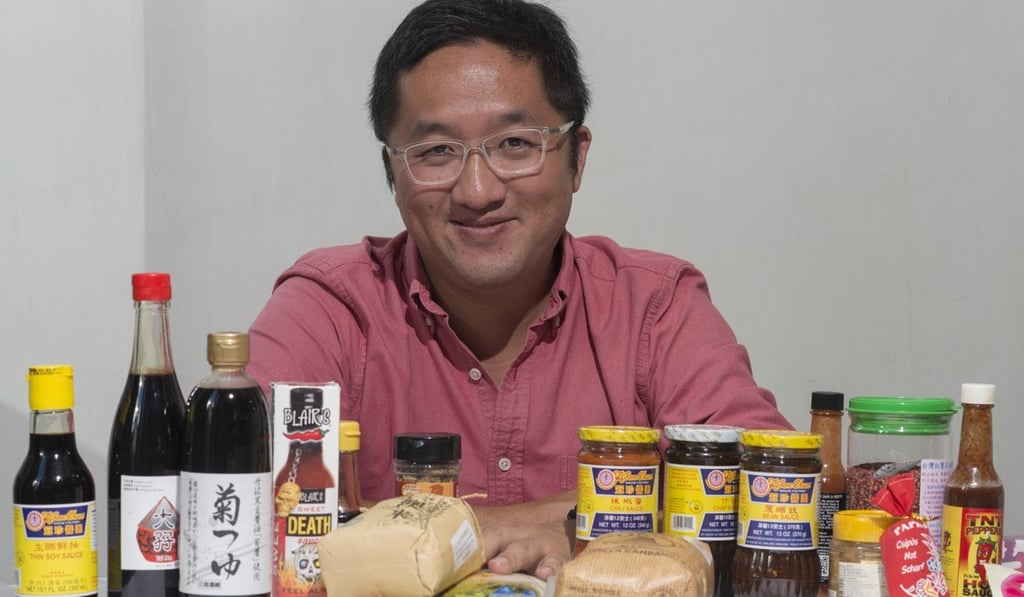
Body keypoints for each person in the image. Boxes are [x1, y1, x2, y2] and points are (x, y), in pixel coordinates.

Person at [248, 0, 792, 580]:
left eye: (515, 143)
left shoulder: (653, 308)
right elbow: (227, 499)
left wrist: (557, 525)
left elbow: (770, 494)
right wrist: (593, 515)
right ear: (392, 174)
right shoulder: (331, 308)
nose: (477, 191)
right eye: (436, 152)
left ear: (577, 159)